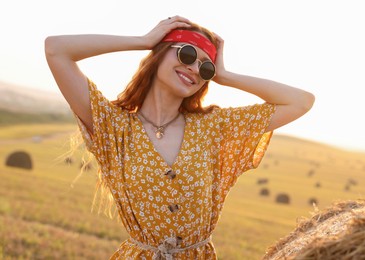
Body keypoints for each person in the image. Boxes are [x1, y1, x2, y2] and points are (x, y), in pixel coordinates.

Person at [45, 16, 314, 260]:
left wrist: (226, 76)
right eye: (187, 55)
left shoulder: (214, 127)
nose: (195, 69)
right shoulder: (113, 126)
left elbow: (301, 101)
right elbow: (56, 49)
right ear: (160, 54)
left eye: (206, 68)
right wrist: (143, 41)